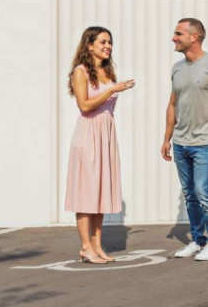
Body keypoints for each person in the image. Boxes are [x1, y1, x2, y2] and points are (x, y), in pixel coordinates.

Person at [161, 18, 208, 262]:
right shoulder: (177, 68)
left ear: (194, 37)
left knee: (203, 192)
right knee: (190, 194)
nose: (173, 38)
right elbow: (172, 104)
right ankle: (197, 241)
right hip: (181, 142)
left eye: (178, 34)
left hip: (206, 143)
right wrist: (167, 138)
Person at [64, 26, 135, 264]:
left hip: (106, 135)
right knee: (86, 192)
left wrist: (112, 86)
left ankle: (97, 245)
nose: (108, 46)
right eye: (103, 42)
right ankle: (86, 247)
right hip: (88, 135)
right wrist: (113, 89)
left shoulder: (107, 71)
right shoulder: (80, 71)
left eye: (109, 42)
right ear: (89, 45)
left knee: (101, 191)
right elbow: (84, 106)